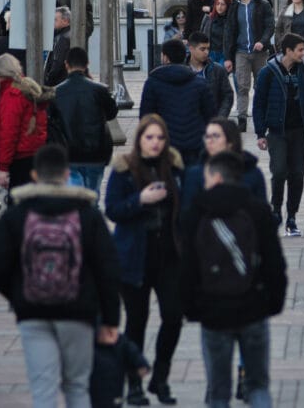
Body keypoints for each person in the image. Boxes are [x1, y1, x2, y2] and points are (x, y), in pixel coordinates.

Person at [0, 144, 121, 408]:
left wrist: (20, 293)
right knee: (77, 385)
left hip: (33, 313)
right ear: (66, 174)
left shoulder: (18, 215)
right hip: (78, 312)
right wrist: (110, 319)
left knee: (43, 388)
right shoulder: (88, 215)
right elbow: (108, 268)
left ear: (35, 175)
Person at [180, 152, 287, 408]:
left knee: (218, 393)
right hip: (253, 308)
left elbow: (187, 268)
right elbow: (274, 263)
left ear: (215, 177)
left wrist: (192, 309)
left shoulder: (196, 211)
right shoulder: (258, 210)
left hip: (214, 312)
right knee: (258, 386)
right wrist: (272, 303)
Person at [104, 115, 185, 405]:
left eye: (160, 138)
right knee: (136, 322)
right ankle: (134, 383)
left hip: (168, 257)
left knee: (174, 318)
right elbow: (112, 209)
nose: (155, 143)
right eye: (149, 137)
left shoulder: (174, 168)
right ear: (139, 139)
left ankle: (160, 378)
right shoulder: (125, 169)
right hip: (133, 257)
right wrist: (140, 200)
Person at [253, 33, 304, 235]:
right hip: (276, 132)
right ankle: (276, 210)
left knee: (297, 174)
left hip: (300, 131)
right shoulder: (268, 73)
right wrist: (260, 133)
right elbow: (258, 104)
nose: (303, 53)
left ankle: (292, 216)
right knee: (279, 171)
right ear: (288, 51)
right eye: (300, 50)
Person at [48, 47, 118, 193]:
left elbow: (51, 121)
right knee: (93, 196)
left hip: (69, 153)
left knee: (74, 199)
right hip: (95, 152)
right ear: (87, 64)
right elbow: (111, 113)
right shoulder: (99, 90)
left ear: (66, 64)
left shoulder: (57, 92)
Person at [140, 38, 216, 166]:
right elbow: (211, 116)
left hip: (164, 147)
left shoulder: (153, 83)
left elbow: (145, 118)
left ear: (165, 57)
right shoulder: (199, 84)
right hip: (195, 146)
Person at [181, 117, 268, 219]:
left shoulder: (252, 173)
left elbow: (262, 214)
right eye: (207, 136)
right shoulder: (195, 174)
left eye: (216, 136)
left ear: (230, 141)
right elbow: (187, 214)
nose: (210, 141)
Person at [0, 53, 54, 194]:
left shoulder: (12, 95)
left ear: (0, 74)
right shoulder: (28, 89)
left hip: (20, 159)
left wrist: (3, 167)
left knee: (19, 203)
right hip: (35, 154)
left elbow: (9, 133)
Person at [224, 0, 275, 132]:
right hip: (241, 52)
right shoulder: (234, 7)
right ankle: (242, 118)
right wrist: (228, 57)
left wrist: (263, 41)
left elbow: (269, 26)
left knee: (261, 86)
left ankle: (262, 117)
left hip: (259, 52)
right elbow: (230, 32)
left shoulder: (263, 4)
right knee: (242, 86)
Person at [91, 328, 150, 408]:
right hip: (113, 388)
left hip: (105, 388)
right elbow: (131, 350)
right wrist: (141, 364)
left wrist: (141, 364)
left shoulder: (87, 338)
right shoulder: (118, 339)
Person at [188, 31, 234, 118]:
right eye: (202, 49)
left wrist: (220, 118)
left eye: (208, 49)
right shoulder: (182, 69)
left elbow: (228, 96)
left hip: (212, 122)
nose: (206, 52)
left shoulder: (218, 70)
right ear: (191, 48)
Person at [199, 0, 232, 66]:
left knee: (219, 73)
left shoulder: (231, 21)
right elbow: (201, 35)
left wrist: (229, 58)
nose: (219, 7)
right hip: (210, 53)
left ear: (227, 5)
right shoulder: (208, 18)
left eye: (222, 4)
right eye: (217, 4)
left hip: (224, 54)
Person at [44, 6, 71, 87]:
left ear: (65, 21)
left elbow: (57, 62)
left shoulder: (62, 38)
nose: (53, 22)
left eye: (55, 20)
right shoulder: (69, 34)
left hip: (59, 82)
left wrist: (48, 80)